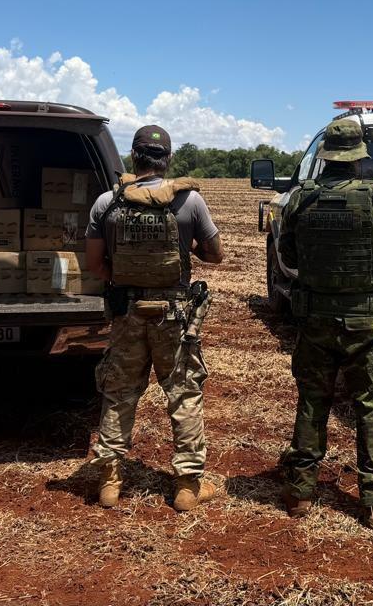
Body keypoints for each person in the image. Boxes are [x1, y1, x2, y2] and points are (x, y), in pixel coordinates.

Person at [276, 117, 373, 528]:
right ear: (359, 157)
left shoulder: (300, 200)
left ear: (325, 156)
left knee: (312, 403)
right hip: (367, 324)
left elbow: (287, 256)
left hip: (315, 320)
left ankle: (298, 493)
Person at [84, 124, 226, 512]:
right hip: (175, 317)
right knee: (184, 395)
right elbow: (216, 254)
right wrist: (189, 246)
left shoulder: (105, 203)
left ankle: (110, 482)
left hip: (127, 314)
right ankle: (186, 486)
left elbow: (96, 266)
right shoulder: (190, 201)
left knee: (118, 395)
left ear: (133, 156)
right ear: (169, 159)